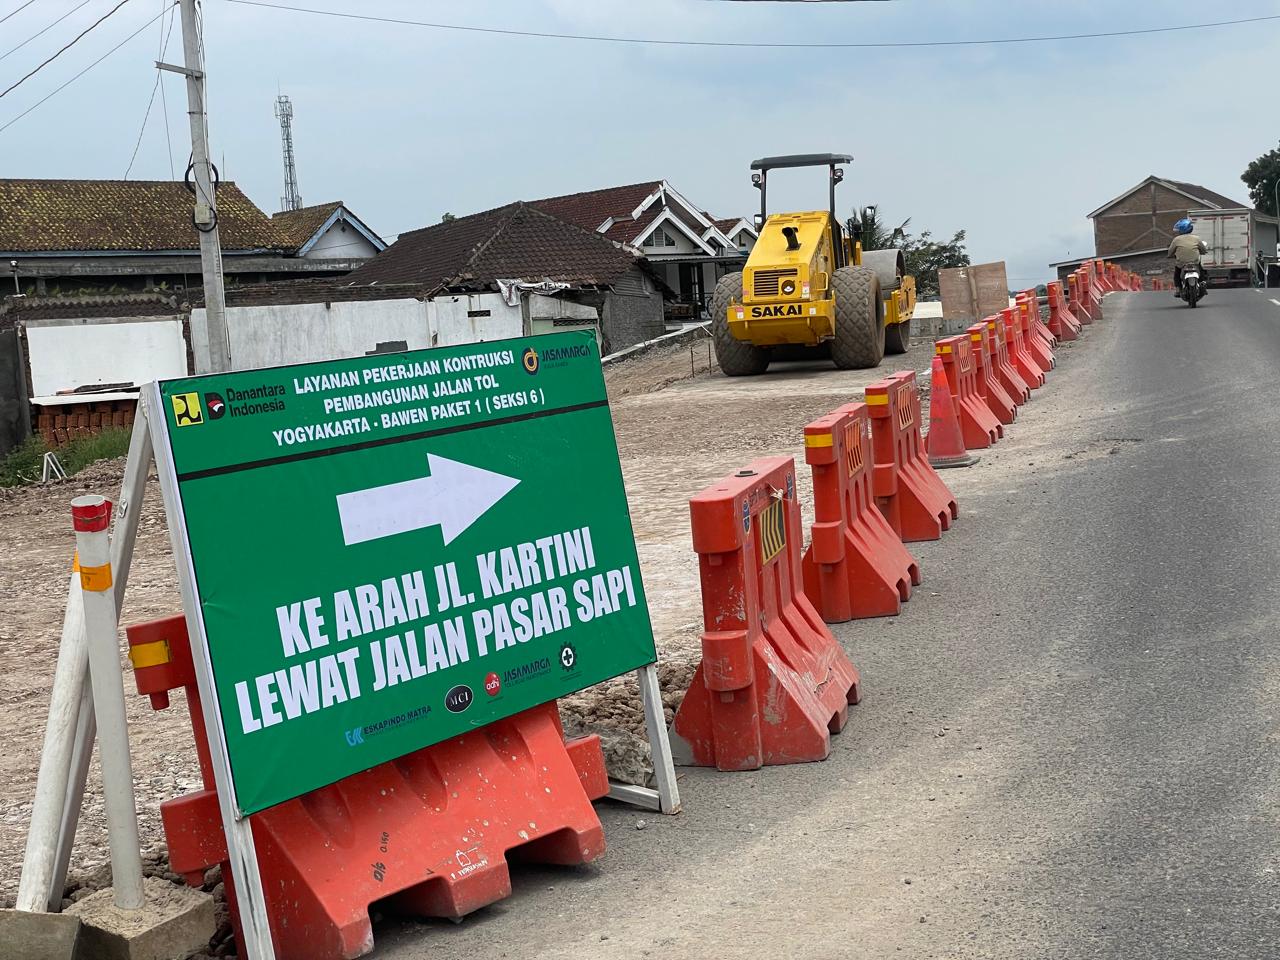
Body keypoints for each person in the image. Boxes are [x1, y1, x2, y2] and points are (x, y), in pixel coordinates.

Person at [1166, 218, 1208, 298]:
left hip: (1181, 263)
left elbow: (1170, 251)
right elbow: (1203, 249)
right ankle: (1202, 284)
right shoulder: (1196, 238)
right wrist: (1203, 252)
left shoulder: (1176, 239)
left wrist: (1170, 255)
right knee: (1201, 271)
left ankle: (1178, 289)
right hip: (1194, 262)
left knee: (1177, 274)